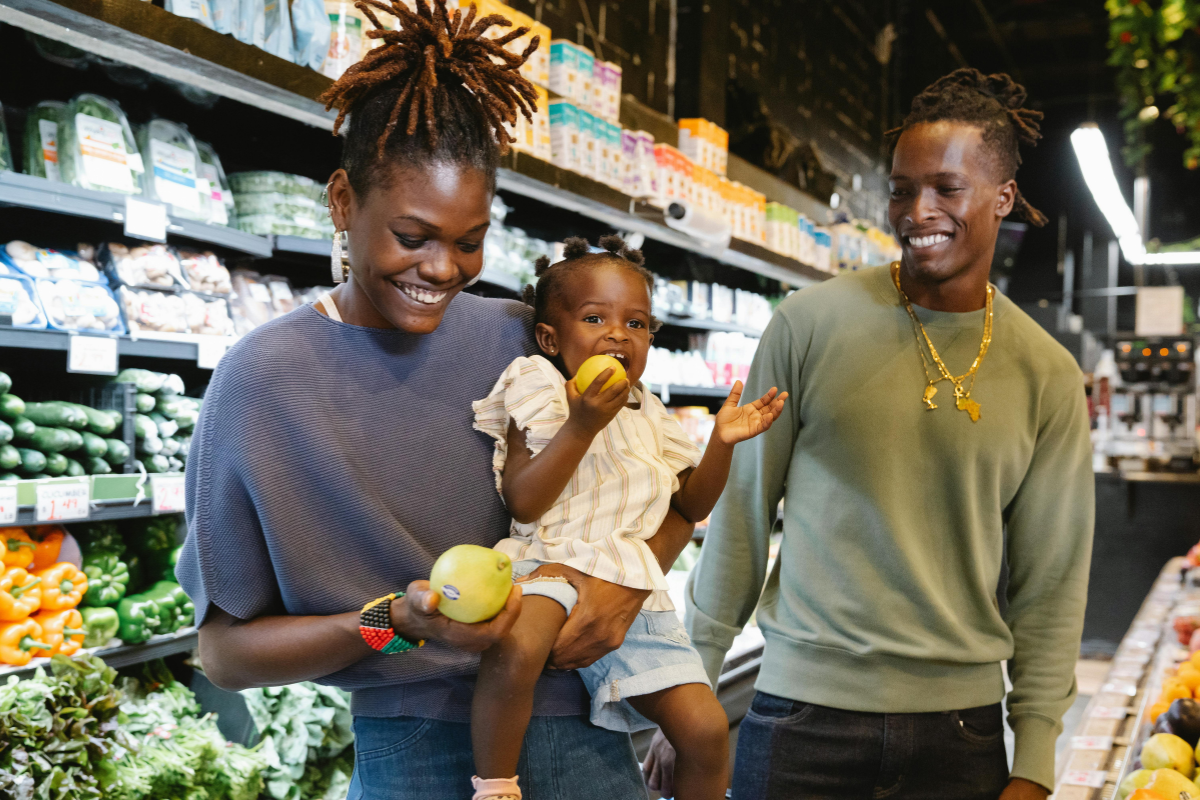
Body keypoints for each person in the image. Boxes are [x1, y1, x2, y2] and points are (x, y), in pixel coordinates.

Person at [176, 3, 695, 798]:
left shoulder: (532, 336)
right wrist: (391, 624)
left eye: (468, 240)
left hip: (582, 727)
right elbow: (226, 655)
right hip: (410, 746)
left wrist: (626, 586)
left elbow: (657, 492)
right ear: (345, 203)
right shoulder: (263, 379)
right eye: (412, 236)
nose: (444, 269)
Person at [643, 68, 1094, 800]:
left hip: (962, 734)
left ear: (1003, 197)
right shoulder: (807, 324)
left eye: (947, 188)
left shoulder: (1046, 374)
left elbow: (1053, 582)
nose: (919, 210)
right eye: (901, 188)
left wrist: (1035, 756)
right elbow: (740, 519)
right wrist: (682, 692)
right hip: (799, 723)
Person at [467, 236, 788, 800]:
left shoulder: (651, 409)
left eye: (637, 323)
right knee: (516, 649)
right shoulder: (538, 384)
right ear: (550, 337)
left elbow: (690, 506)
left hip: (633, 584)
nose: (618, 333)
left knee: (707, 728)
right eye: (595, 317)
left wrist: (722, 442)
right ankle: (496, 785)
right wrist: (582, 424)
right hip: (549, 565)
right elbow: (523, 500)